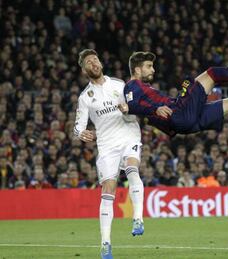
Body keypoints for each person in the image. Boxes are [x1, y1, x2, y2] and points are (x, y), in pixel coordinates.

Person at [74, 49, 145, 259]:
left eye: (95, 59)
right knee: (108, 189)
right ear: (84, 69)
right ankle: (105, 244)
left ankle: (138, 218)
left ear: (100, 63)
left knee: (132, 168)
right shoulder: (85, 97)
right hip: (106, 145)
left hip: (129, 134)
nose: (93, 63)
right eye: (88, 62)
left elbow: (135, 107)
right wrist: (82, 133)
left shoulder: (119, 84)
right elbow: (77, 127)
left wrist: (128, 109)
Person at [119, 51, 228, 136]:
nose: (153, 69)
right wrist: (155, 111)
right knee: (212, 73)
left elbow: (146, 114)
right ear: (137, 69)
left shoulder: (146, 90)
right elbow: (130, 106)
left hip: (183, 122)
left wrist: (169, 128)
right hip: (180, 113)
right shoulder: (132, 85)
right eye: (149, 66)